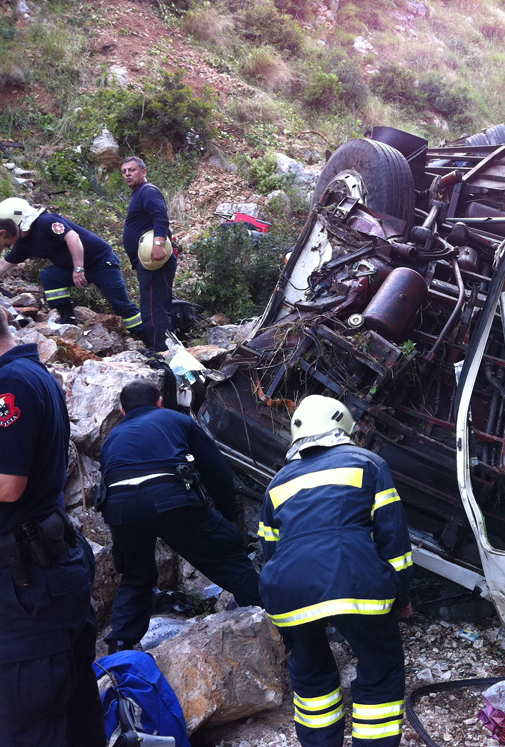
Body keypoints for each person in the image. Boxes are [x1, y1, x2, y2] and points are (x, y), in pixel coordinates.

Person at [259, 394, 413, 747]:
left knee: (311, 680)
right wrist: (400, 595)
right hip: (355, 580)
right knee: (380, 668)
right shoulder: (368, 464)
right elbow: (393, 540)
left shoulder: (276, 484)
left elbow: (269, 552)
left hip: (289, 593)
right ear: (342, 427)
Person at [0, 306, 105, 745]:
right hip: (45, 567)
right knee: (76, 709)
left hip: (28, 586)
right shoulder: (31, 373)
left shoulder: (11, 383)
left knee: (28, 720)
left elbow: (8, 485)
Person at [99, 380, 262, 653]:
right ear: (160, 402)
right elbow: (216, 469)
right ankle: (274, 619)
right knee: (226, 558)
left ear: (122, 410)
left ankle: (120, 647)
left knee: (136, 575)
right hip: (170, 499)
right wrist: (224, 514)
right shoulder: (176, 419)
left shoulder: (112, 438)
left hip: (120, 509)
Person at [0, 198, 143, 333]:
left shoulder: (46, 221)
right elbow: (4, 264)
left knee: (121, 305)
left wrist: (78, 268)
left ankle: (151, 341)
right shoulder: (24, 244)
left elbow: (73, 238)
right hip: (74, 270)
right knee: (49, 276)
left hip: (101, 263)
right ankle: (68, 317)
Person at [121, 156, 174, 352]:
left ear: (144, 172)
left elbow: (161, 217)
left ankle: (160, 353)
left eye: (132, 170)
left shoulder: (147, 191)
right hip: (148, 261)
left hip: (154, 260)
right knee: (157, 307)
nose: (127, 174)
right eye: (124, 171)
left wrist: (158, 244)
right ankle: (166, 348)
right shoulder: (139, 193)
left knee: (153, 310)